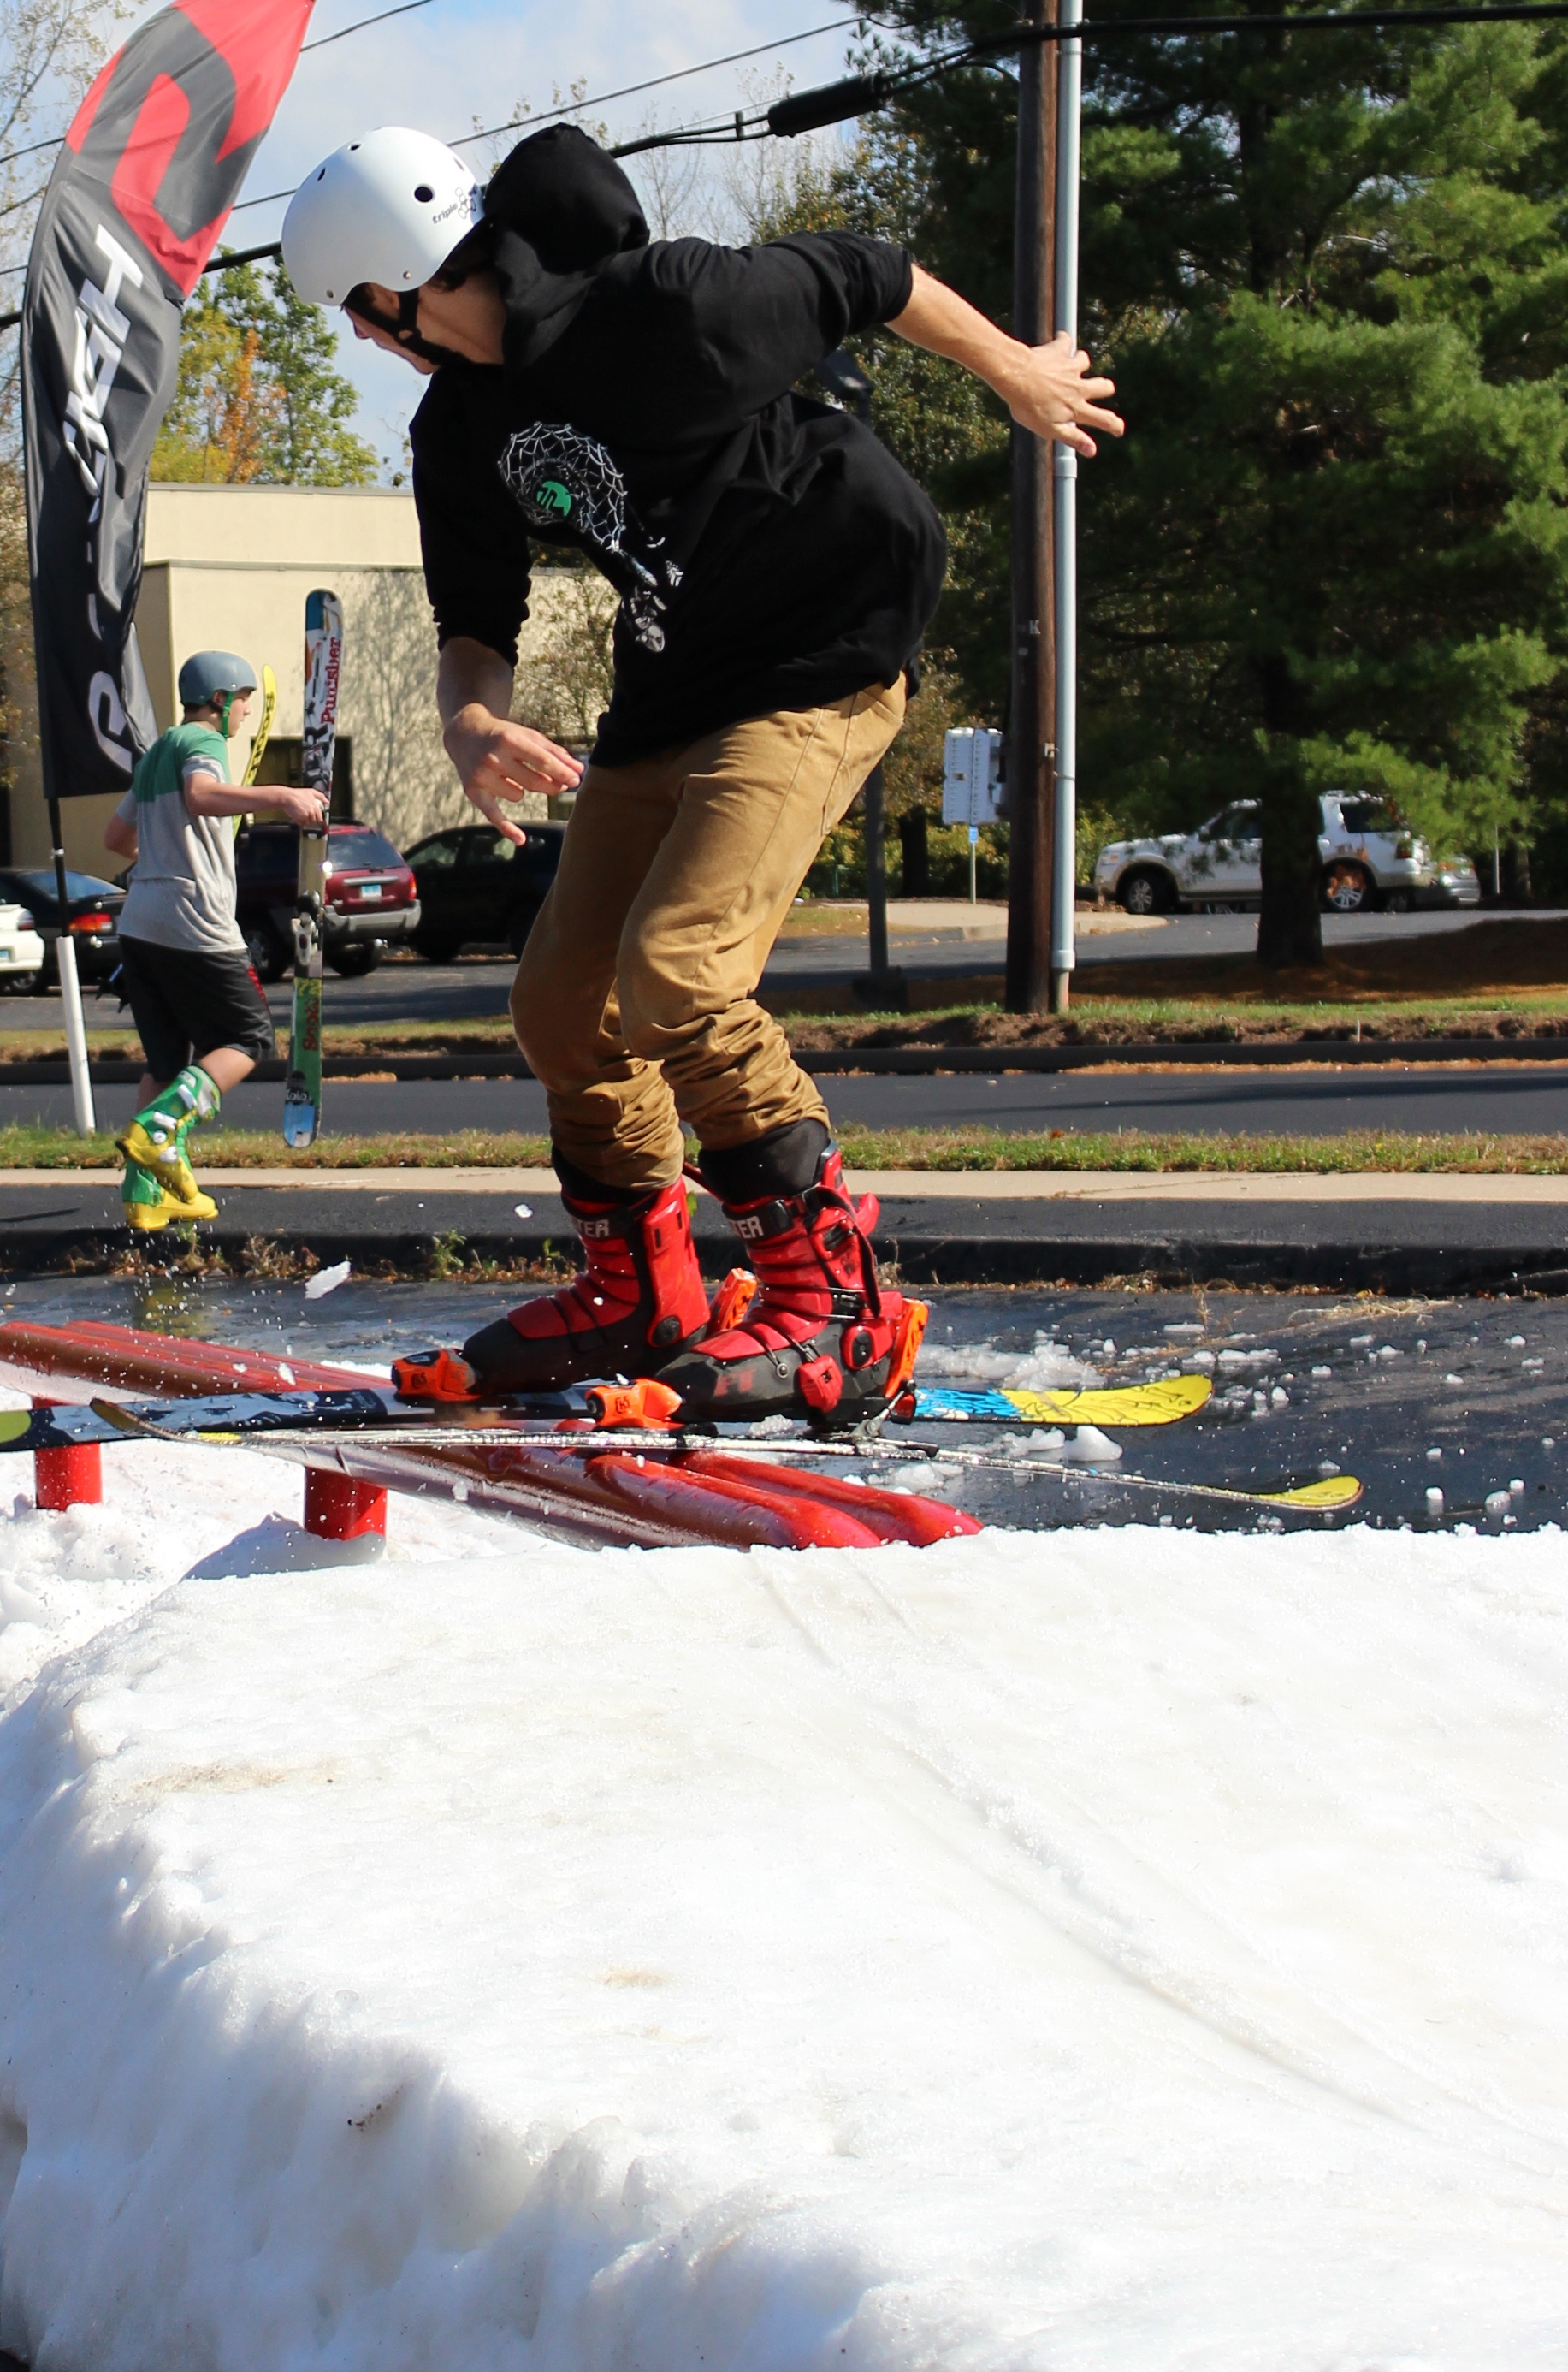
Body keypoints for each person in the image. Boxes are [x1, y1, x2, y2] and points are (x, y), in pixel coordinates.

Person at [277, 120, 1123, 1420]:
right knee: (562, 1000)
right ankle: (643, 1296)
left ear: (408, 282)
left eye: (359, 310)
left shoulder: (670, 310)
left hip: (826, 643)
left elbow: (873, 271)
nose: (360, 338)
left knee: (677, 976)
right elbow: (475, 619)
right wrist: (468, 722)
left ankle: (840, 1310)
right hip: (677, 676)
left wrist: (1018, 376)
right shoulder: (457, 429)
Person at [99, 648, 330, 1236]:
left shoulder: (157, 751)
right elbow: (202, 795)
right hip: (192, 919)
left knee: (165, 1058)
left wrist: (163, 858)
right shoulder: (204, 742)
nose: (250, 712)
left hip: (141, 921)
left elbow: (115, 836)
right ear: (222, 700)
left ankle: (145, 1197)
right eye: (246, 699)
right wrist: (281, 796)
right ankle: (157, 1132)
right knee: (248, 1039)